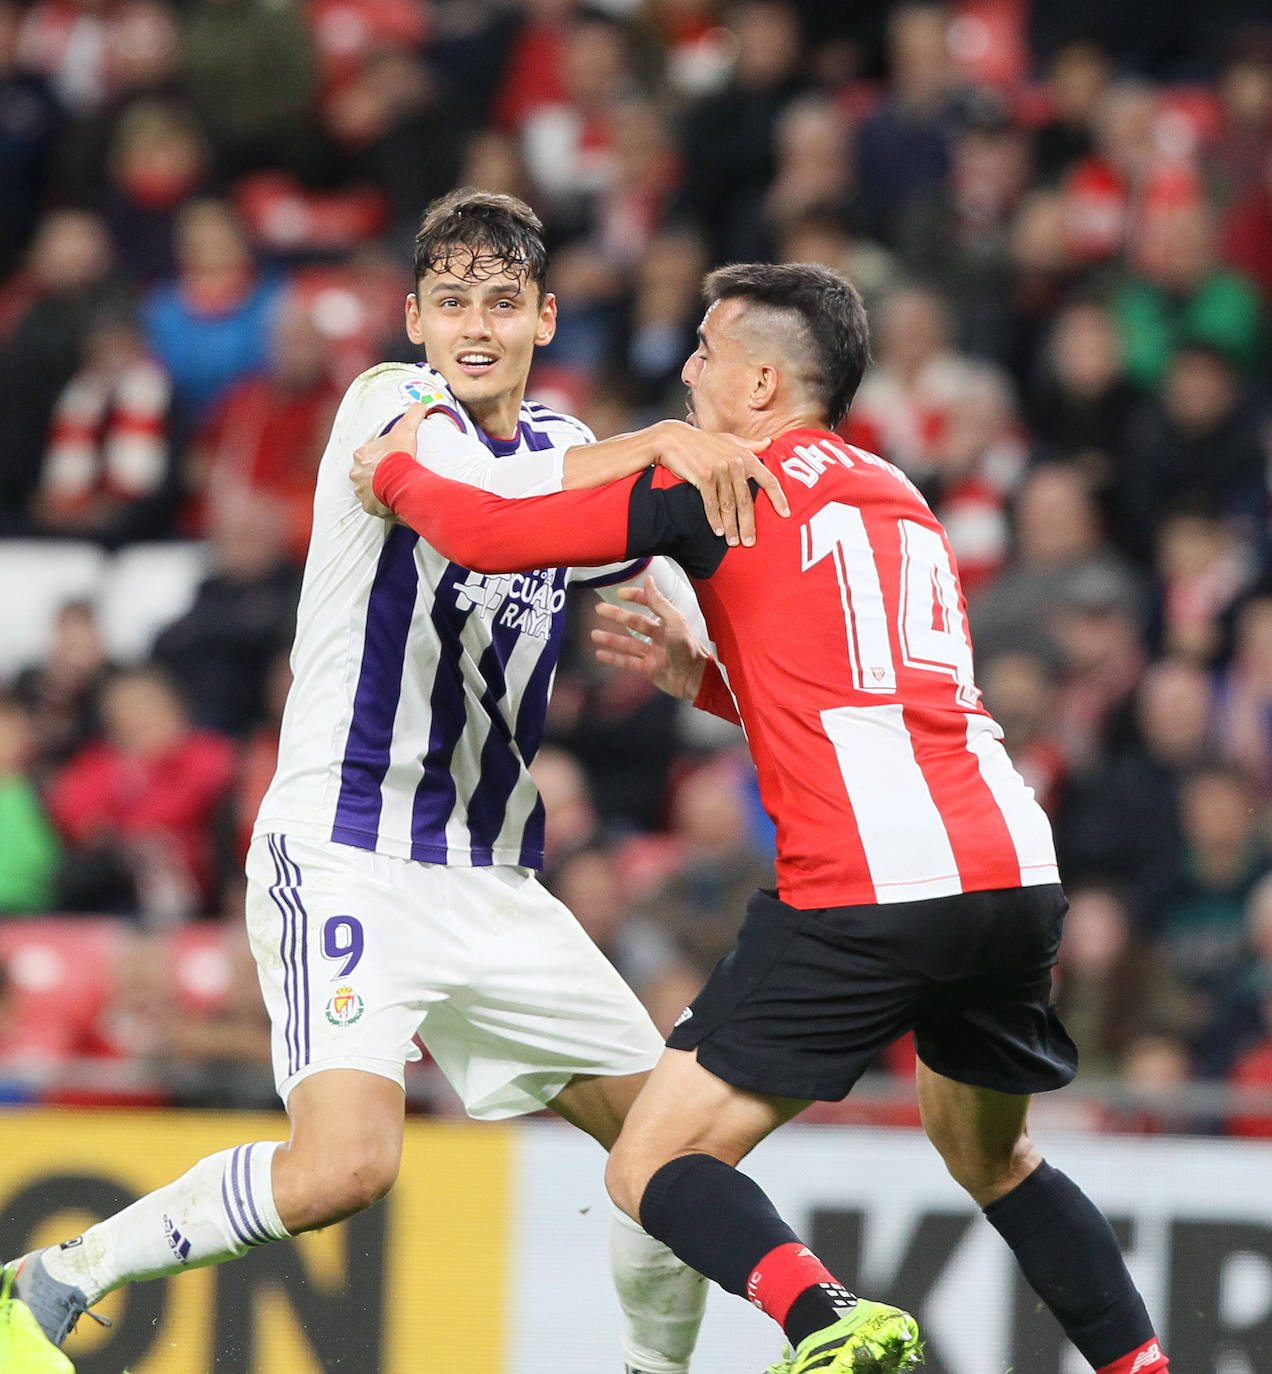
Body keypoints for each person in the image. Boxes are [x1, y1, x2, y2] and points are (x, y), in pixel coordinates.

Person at [1, 189, 787, 1374]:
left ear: (545, 319)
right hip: (346, 851)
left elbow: (643, 536)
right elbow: (491, 506)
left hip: (492, 877)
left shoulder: (567, 450)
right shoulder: (389, 402)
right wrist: (665, 439)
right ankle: (54, 1279)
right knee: (342, 1172)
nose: (477, 326)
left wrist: (705, 647)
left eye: (504, 303)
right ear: (415, 316)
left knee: (673, 1152)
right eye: (454, 302)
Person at [350, 261, 1171, 1374]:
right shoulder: (902, 497)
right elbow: (867, 700)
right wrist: (704, 681)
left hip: (869, 888)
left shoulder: (717, 482)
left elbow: (495, 533)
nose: (686, 368)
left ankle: (824, 1317)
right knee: (998, 1160)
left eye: (704, 348)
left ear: (766, 383)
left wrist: (393, 468)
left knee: (646, 1168)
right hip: (1012, 871)